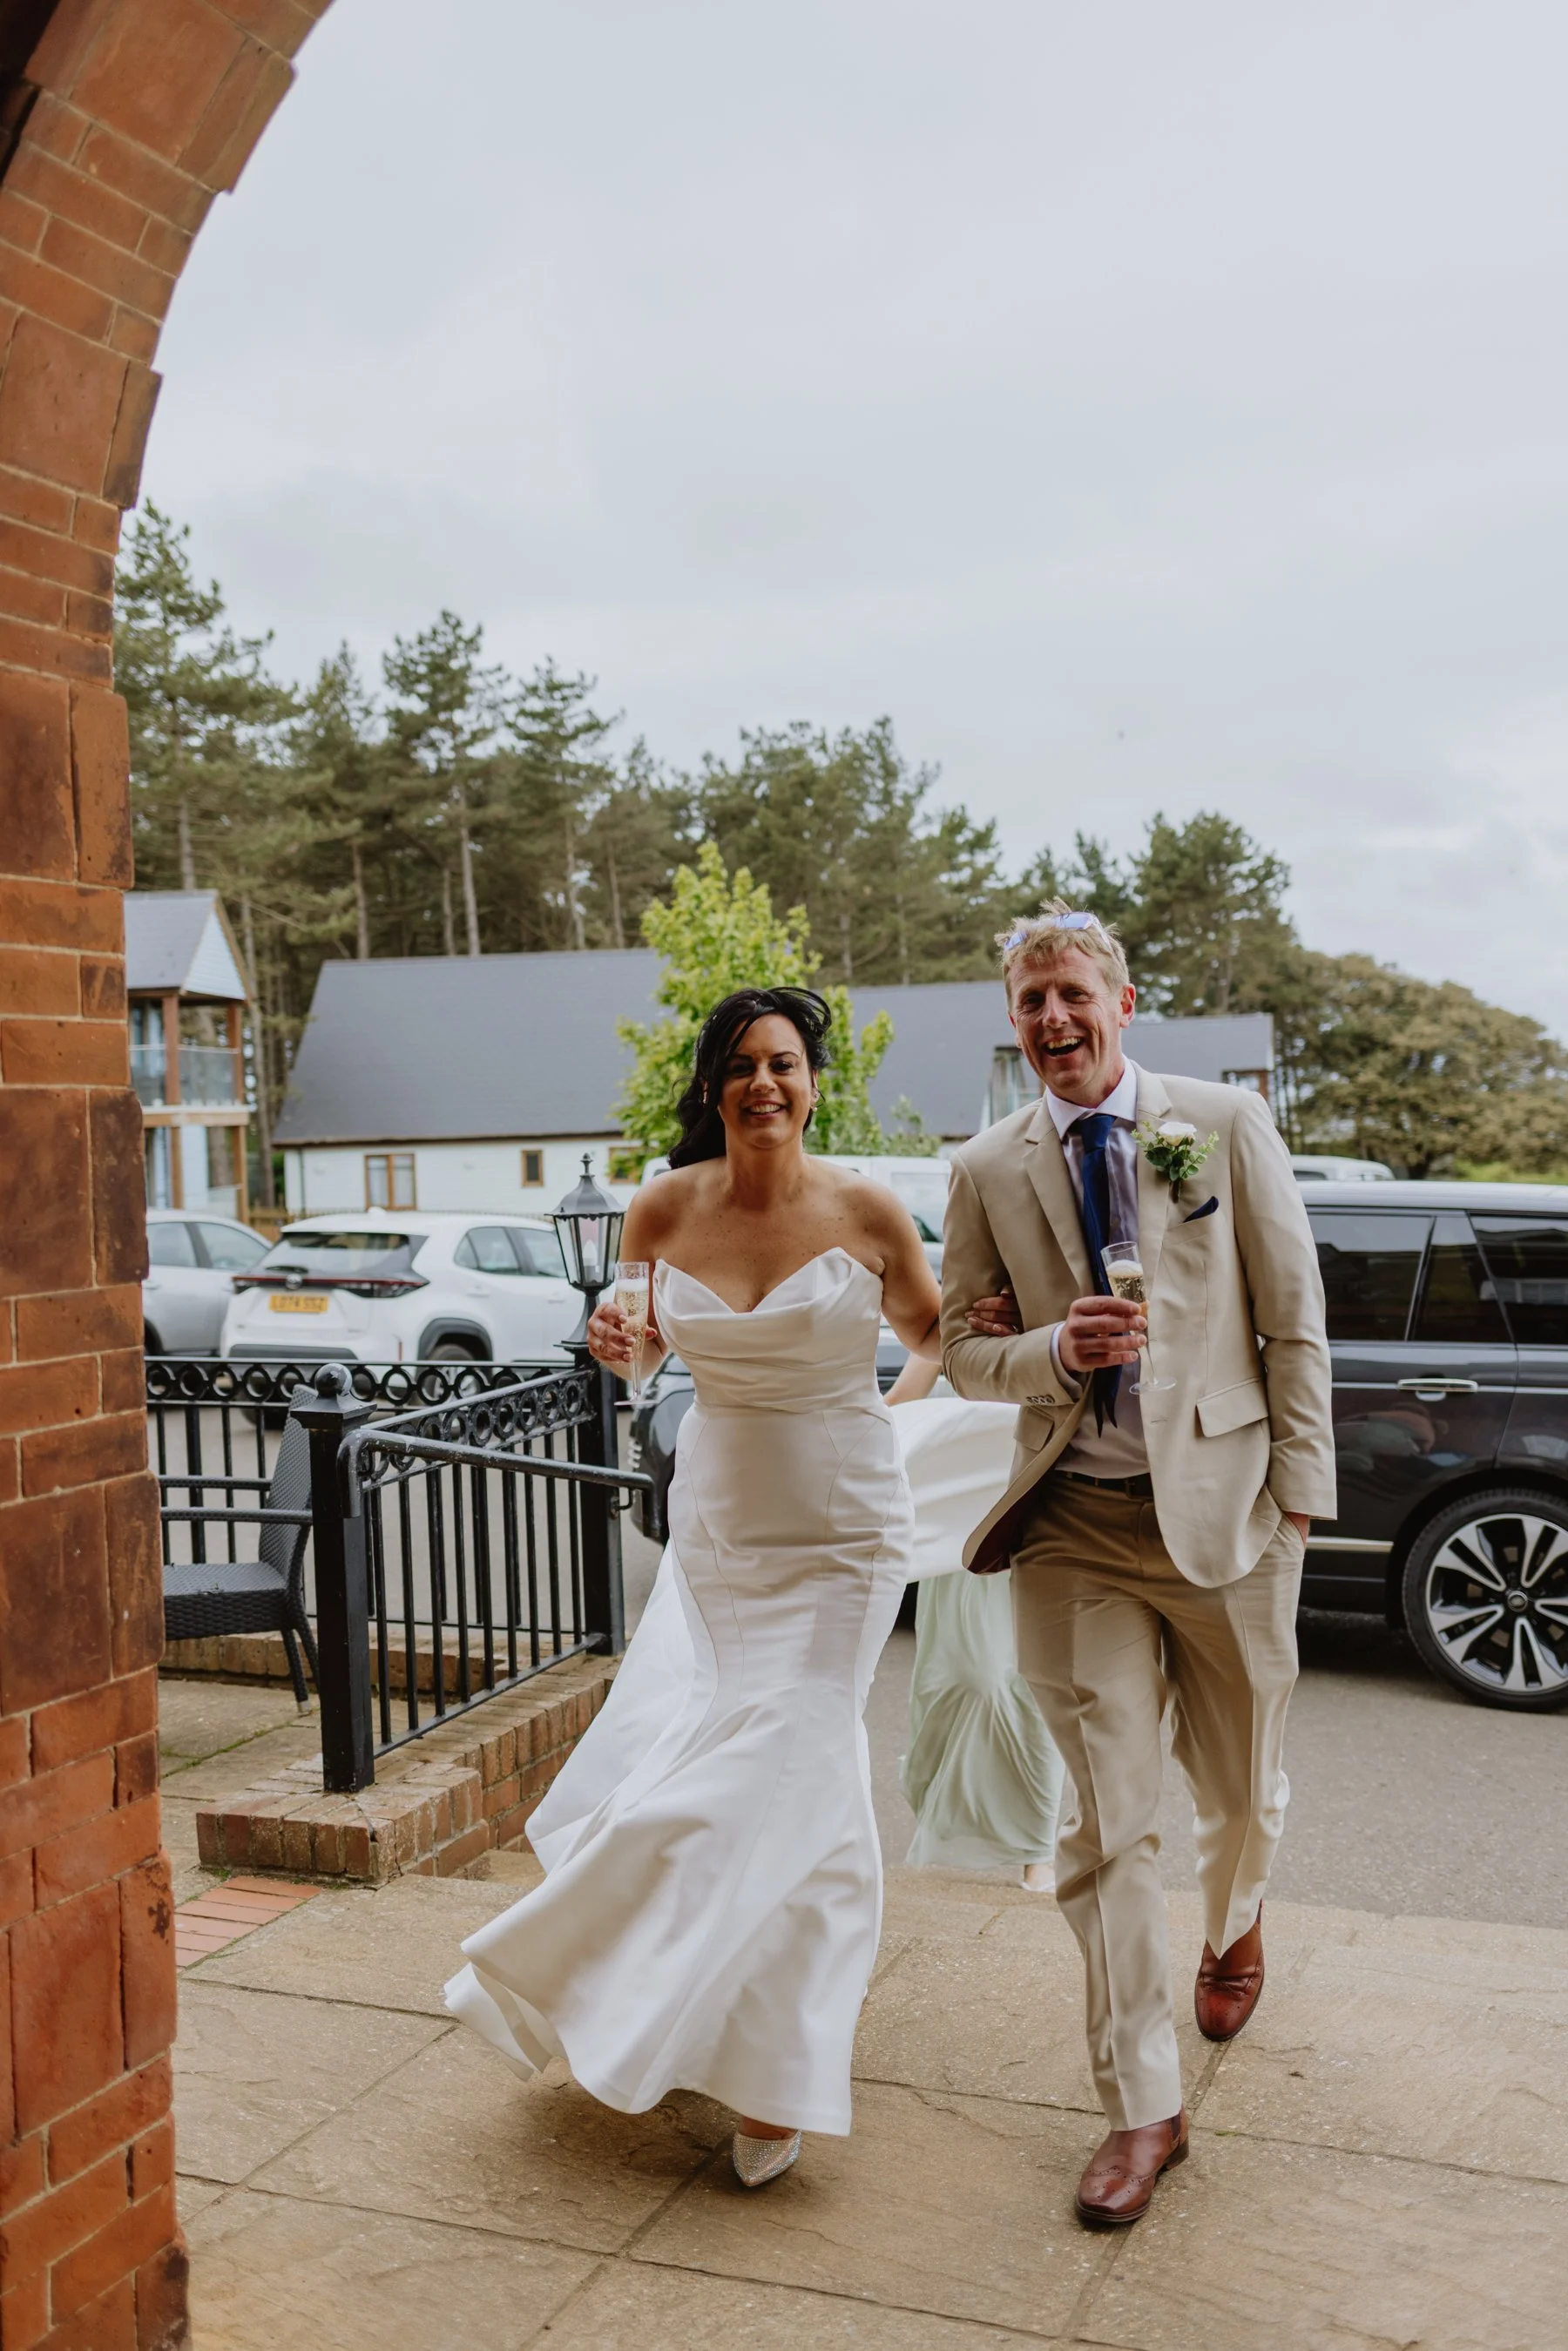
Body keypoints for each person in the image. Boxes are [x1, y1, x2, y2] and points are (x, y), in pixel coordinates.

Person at [445, 985, 976, 2190]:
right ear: (712, 1085)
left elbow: (937, 1332)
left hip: (843, 1523)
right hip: (726, 1519)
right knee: (791, 1775)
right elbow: (643, 1345)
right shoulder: (660, 1206)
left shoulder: (867, 1206)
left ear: (813, 1080)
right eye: (740, 1065)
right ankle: (757, 2047)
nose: (763, 1083)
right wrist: (619, 1350)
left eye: (783, 1062)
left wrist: (875, 1424)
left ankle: (668, 1995)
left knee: (785, 1755)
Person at [940, 902, 1335, 2229]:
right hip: (1073, 1527)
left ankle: (1238, 1917)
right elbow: (957, 1344)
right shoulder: (988, 1164)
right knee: (1105, 1825)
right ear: (1012, 1021)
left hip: (1229, 1516)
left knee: (1240, 1787)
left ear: (1121, 997)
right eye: (1029, 999)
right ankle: (1140, 2103)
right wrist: (1049, 1348)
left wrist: (1302, 1498)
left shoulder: (1216, 1123)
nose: (1052, 1018)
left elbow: (1293, 1317)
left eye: (1071, 991)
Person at [885, 1352, 1064, 1888]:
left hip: (1041, 1527)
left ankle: (1039, 1848)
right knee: (965, 1680)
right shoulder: (947, 1328)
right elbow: (892, 1413)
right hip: (962, 1546)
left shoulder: (1052, 1315)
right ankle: (926, 1780)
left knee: (1036, 1688)